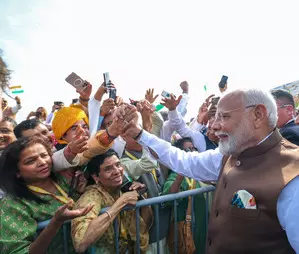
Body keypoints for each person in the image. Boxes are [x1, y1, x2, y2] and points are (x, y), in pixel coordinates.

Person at [120, 88, 299, 253]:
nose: (214, 126)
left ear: (258, 115)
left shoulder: (293, 175)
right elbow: (182, 159)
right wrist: (139, 133)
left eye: (224, 117)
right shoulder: (226, 156)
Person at [0, 136, 93, 253]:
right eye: (30, 161)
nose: (42, 162)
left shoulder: (63, 178)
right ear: (17, 172)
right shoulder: (12, 205)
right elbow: (19, 251)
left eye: (44, 155)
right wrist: (56, 222)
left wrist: (79, 193)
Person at [71, 149, 152, 253]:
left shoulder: (123, 190)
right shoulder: (91, 197)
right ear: (96, 177)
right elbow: (80, 243)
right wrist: (120, 203)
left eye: (118, 165)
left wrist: (142, 199)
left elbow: (147, 224)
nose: (117, 171)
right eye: (108, 169)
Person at [162, 137, 208, 254]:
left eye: (194, 148)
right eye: (188, 149)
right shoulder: (176, 174)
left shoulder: (197, 172)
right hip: (188, 230)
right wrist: (180, 174)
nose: (193, 152)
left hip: (202, 226)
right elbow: (168, 198)